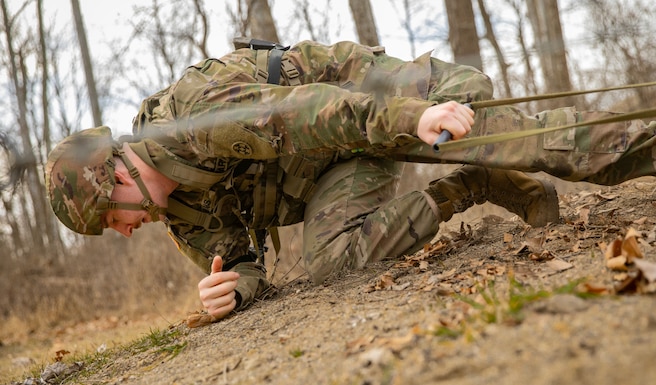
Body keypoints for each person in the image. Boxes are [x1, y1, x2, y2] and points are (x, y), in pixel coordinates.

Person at [45, 39, 656, 322]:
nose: (123, 233)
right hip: (336, 162)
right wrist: (233, 291)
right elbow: (237, 257)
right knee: (333, 259)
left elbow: (314, 113)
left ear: (116, 180)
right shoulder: (178, 210)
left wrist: (417, 115)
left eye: (109, 222)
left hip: (368, 98)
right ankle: (471, 185)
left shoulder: (194, 118)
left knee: (543, 144)